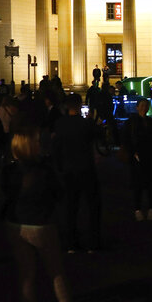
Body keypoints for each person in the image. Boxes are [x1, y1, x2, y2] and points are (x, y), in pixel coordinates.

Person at [3, 127, 80, 302]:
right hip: (42, 223)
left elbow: (4, 195)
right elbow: (59, 193)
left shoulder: (10, 171)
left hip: (17, 224)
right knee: (55, 271)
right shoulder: (44, 169)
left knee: (26, 275)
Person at [52, 93, 102, 252]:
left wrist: (59, 167)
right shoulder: (86, 123)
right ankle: (92, 242)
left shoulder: (60, 124)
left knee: (71, 207)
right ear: (80, 105)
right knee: (92, 206)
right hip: (86, 168)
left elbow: (56, 148)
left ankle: (71, 243)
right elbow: (99, 138)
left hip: (68, 170)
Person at [123, 99, 152, 221]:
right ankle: (138, 209)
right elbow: (126, 139)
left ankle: (151, 208)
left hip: (151, 156)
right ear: (137, 107)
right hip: (137, 157)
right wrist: (132, 152)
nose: (144, 108)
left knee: (151, 184)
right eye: (141, 105)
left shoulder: (151, 122)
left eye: (145, 106)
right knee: (138, 185)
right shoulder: (132, 122)